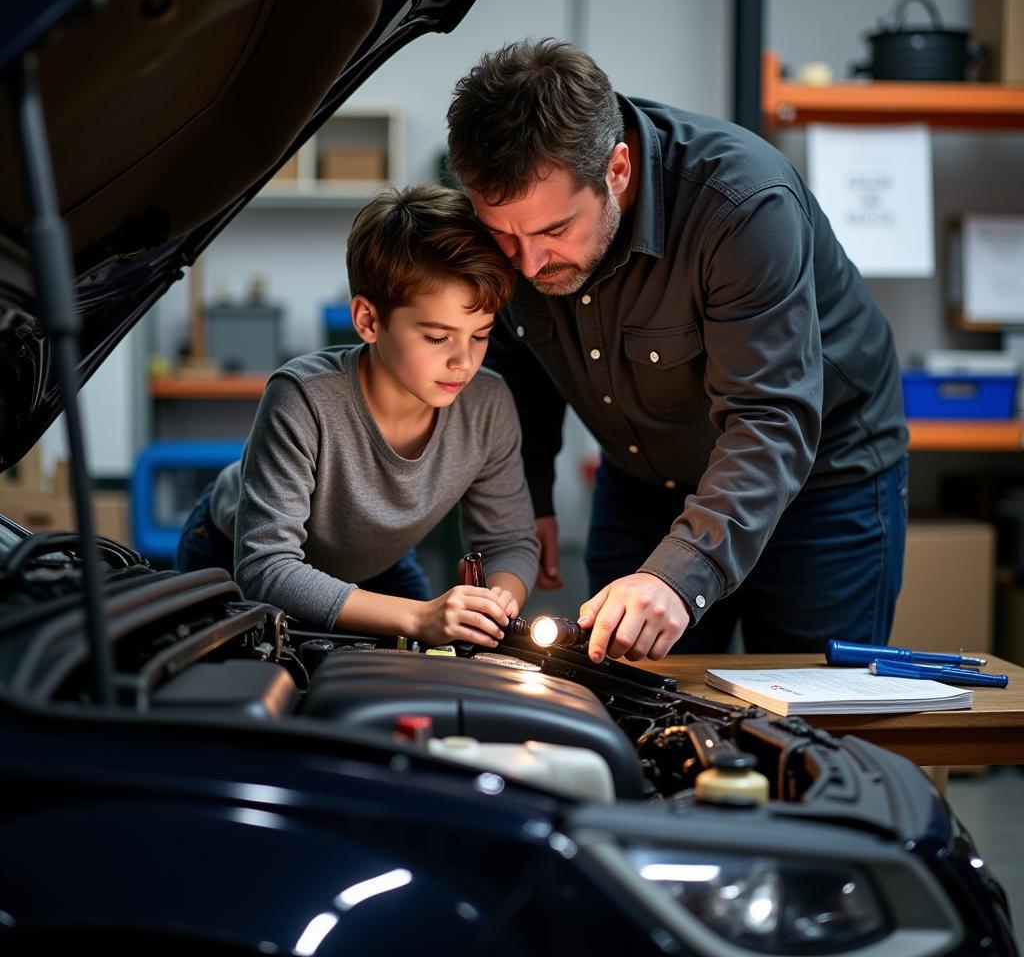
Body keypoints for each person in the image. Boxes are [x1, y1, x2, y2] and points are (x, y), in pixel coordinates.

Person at [445, 39, 909, 664]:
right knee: (628, 707)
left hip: (818, 485)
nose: (527, 263)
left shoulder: (742, 205)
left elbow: (770, 417)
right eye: (504, 235)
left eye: (556, 231)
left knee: (808, 720)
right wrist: (528, 497)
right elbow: (515, 360)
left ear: (618, 169)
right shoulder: (510, 222)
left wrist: (677, 575)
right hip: (643, 473)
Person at [176, 184, 539, 648]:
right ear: (368, 320)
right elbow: (266, 568)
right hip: (233, 555)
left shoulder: (489, 404)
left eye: (481, 335)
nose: (463, 362)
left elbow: (511, 542)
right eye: (436, 337)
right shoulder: (302, 397)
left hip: (372, 567)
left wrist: (496, 605)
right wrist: (420, 617)